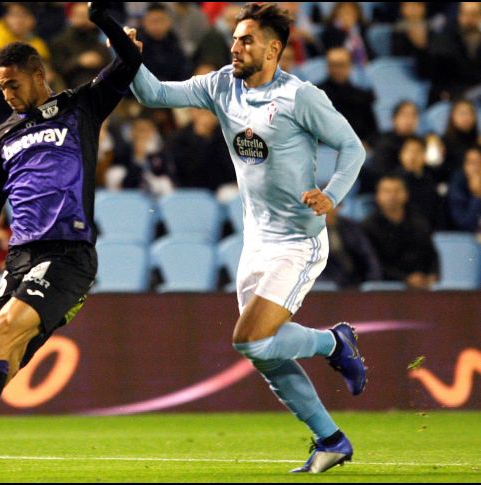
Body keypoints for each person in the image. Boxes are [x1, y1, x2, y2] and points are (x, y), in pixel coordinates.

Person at [129, 3, 367, 473]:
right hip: (255, 241)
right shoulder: (221, 85)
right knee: (265, 354)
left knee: (252, 342)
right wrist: (126, 57)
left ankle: (333, 344)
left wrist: (331, 194)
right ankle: (331, 439)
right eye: (235, 39)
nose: (235, 47)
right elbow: (153, 95)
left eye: (246, 40)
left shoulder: (301, 97)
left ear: (274, 48)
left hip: (299, 242)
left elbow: (352, 146)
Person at [0, 4, 142, 480]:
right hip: (20, 259)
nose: (6, 93)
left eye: (13, 84)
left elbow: (128, 61)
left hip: (69, 253)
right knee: (0, 358)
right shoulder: (2, 137)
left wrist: (101, 19)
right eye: (0, 86)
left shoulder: (82, 106)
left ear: (38, 75)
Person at [362, 174, 439, 289]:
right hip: (384, 287)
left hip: (421, 285)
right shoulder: (368, 226)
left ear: (406, 194)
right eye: (387, 191)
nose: (392, 196)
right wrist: (405, 278)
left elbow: (432, 255)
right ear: (378, 196)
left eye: (397, 191)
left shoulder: (419, 223)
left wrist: (432, 275)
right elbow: (373, 263)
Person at [417, 2, 481, 103]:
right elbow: (430, 72)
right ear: (459, 14)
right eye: (465, 13)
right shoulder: (443, 38)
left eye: (474, 14)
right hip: (448, 95)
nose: (469, 18)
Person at [0, 3, 51, 87]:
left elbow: (46, 73)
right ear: (5, 17)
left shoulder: (39, 45)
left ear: (34, 19)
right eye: (14, 14)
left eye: (24, 15)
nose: (19, 20)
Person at [318, 47, 378, 147]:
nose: (337, 69)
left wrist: (366, 144)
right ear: (327, 67)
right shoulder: (315, 94)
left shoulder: (362, 96)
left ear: (350, 66)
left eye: (341, 65)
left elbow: (373, 130)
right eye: (333, 65)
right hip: (322, 151)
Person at [50, 2, 111, 89]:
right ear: (71, 17)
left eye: (88, 16)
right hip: (73, 89)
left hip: (101, 87)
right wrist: (79, 62)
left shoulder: (98, 40)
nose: (85, 20)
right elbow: (57, 69)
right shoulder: (60, 42)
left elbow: (110, 65)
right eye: (80, 16)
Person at [319, 204, 382, 289]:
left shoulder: (351, 227)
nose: (328, 211)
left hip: (356, 283)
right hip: (326, 287)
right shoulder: (308, 232)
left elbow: (368, 256)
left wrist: (372, 280)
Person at [396, 136, 443, 230]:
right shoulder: (393, 180)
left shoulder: (430, 179)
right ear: (401, 155)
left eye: (417, 151)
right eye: (408, 151)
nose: (412, 156)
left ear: (424, 156)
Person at [137, 3, 190, 82]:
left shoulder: (175, 43)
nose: (156, 25)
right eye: (152, 21)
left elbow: (183, 74)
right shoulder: (136, 44)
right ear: (144, 22)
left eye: (160, 20)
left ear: (169, 22)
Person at [447, 145, 481, 233]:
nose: (476, 167)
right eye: (472, 162)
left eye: (479, 162)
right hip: (464, 239)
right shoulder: (457, 184)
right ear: (464, 165)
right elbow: (464, 224)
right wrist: (477, 196)